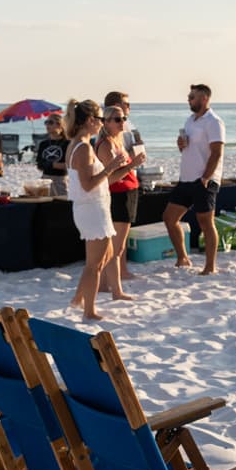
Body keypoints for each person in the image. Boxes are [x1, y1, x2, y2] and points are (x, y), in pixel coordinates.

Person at [63, 99, 130, 321]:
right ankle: (88, 310)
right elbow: (88, 184)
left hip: (95, 206)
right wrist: (111, 166)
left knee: (107, 255)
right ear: (90, 120)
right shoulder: (82, 147)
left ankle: (78, 299)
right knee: (94, 265)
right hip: (91, 208)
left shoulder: (79, 144)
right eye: (100, 119)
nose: (101, 124)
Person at [165, 83, 225, 275]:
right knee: (169, 218)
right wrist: (181, 144)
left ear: (204, 99)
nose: (189, 100)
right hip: (186, 178)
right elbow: (188, 148)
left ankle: (210, 266)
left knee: (206, 223)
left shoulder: (214, 122)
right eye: (189, 97)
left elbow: (216, 153)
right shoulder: (190, 120)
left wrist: (206, 177)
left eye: (192, 97)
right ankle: (182, 257)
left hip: (204, 179)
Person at [97, 100, 146, 298]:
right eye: (117, 119)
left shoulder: (117, 140)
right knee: (115, 248)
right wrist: (131, 165)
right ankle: (115, 290)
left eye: (123, 118)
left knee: (116, 246)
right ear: (106, 122)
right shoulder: (106, 144)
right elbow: (109, 179)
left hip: (127, 192)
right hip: (118, 195)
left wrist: (132, 163)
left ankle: (105, 286)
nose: (122, 122)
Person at [35, 114, 70, 197]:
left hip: (61, 179)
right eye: (46, 122)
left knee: (61, 204)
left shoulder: (67, 144)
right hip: (45, 179)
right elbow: (39, 165)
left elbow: (70, 165)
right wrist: (51, 165)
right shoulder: (43, 144)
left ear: (60, 125)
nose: (47, 125)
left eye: (50, 122)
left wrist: (52, 164)